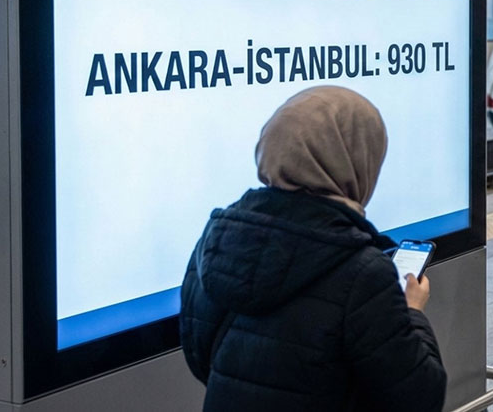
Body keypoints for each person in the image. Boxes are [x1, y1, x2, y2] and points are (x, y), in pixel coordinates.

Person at [180, 86, 447, 412]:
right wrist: (412, 313)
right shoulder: (362, 273)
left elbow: (200, 357)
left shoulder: (216, 240)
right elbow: (420, 398)